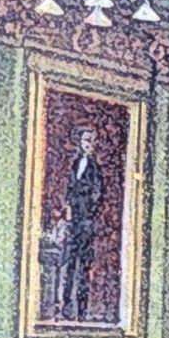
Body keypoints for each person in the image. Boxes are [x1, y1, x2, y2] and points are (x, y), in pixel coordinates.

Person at [56, 126, 106, 320]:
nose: (88, 144)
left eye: (92, 141)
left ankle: (81, 310)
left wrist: (87, 212)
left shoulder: (95, 169)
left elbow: (97, 194)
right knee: (69, 262)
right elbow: (70, 188)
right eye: (86, 140)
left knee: (83, 265)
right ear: (80, 142)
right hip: (73, 220)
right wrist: (69, 207)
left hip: (85, 222)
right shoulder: (76, 163)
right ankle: (66, 307)